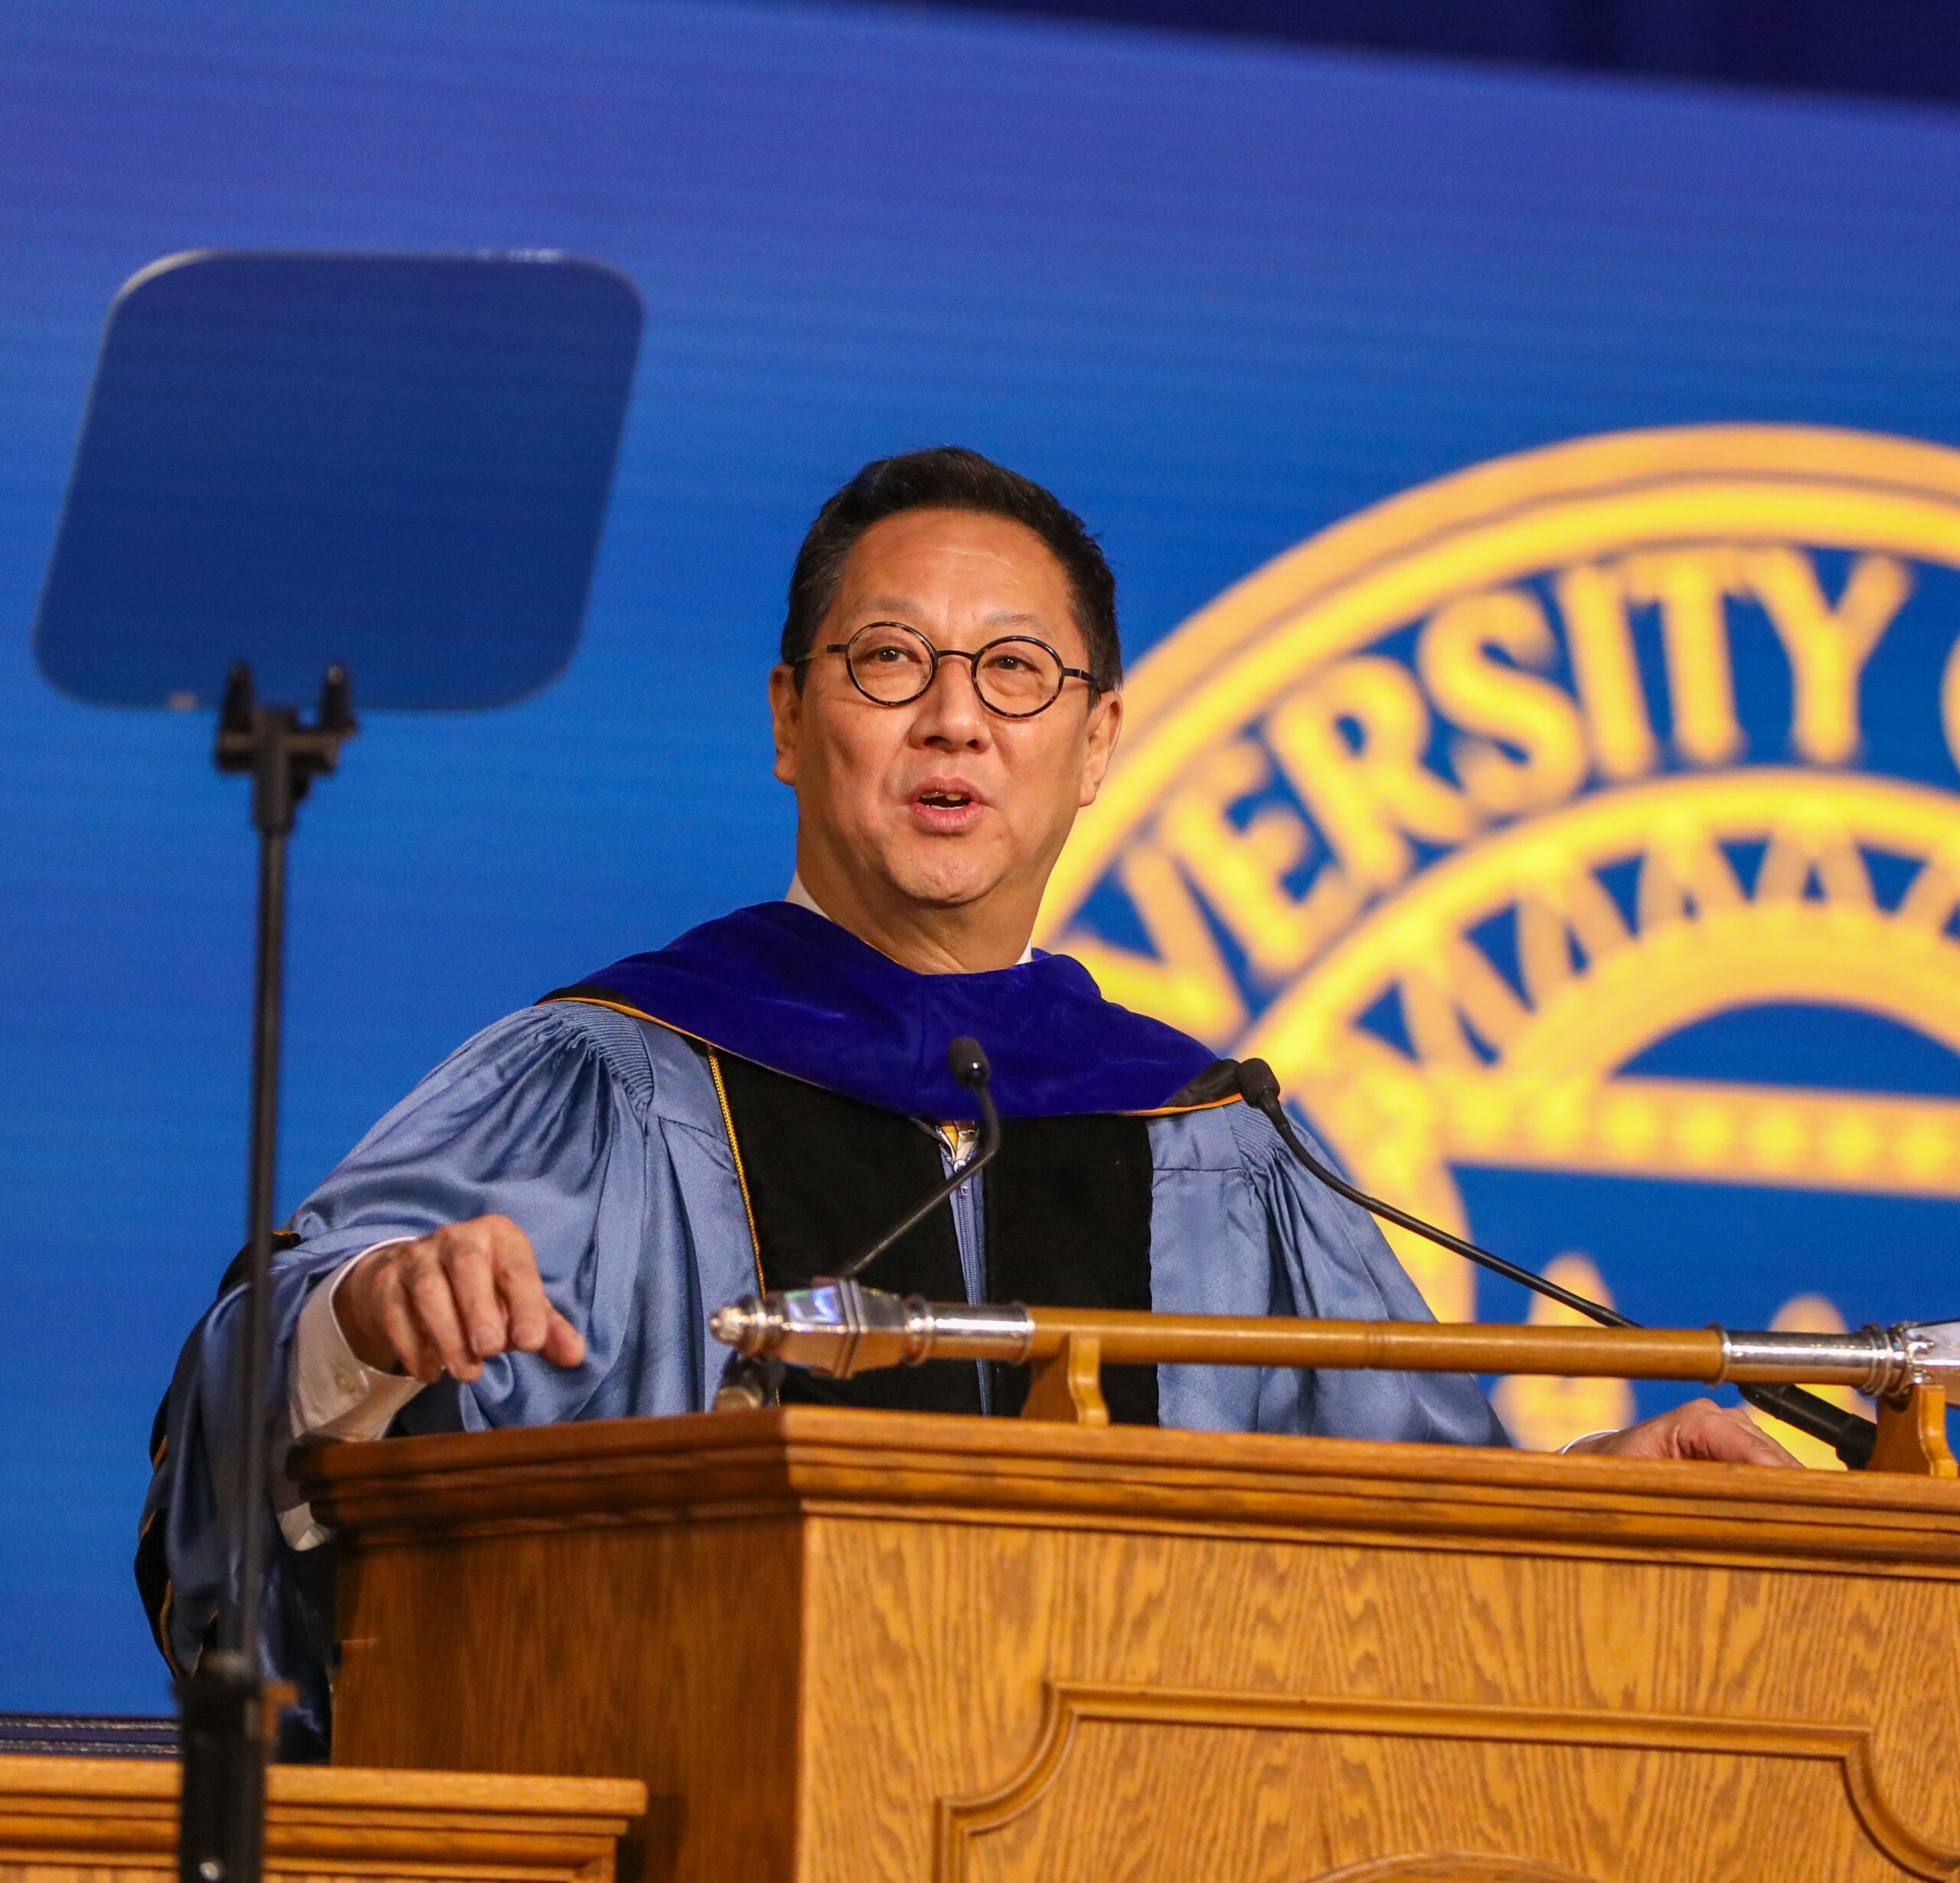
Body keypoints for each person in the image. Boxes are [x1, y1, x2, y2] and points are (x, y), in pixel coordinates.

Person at [140, 446, 1795, 1754]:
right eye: (888, 661)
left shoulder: (1212, 1139)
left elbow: (1392, 1545)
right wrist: (360, 1316)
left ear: (1095, 743)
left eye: (1015, 671)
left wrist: (1600, 1483)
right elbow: (236, 1408)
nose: (954, 718)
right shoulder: (610, 1074)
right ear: (789, 720)